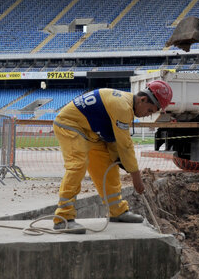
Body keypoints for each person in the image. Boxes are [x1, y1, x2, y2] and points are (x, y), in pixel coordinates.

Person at [52, 80, 173, 234]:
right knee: (78, 165)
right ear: (143, 99)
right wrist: (135, 176)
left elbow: (113, 140)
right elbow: (125, 144)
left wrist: (117, 158)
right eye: (149, 110)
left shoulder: (126, 106)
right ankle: (63, 218)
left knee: (109, 165)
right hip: (70, 125)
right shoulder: (122, 106)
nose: (147, 115)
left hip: (91, 133)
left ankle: (117, 211)